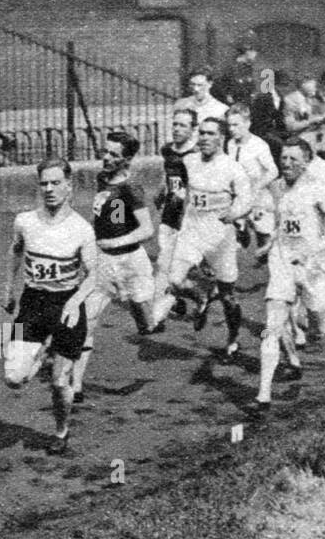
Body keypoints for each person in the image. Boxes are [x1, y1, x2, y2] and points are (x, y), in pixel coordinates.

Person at [2, 158, 99, 455]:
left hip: (66, 305)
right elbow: (16, 249)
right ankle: (41, 351)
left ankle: (61, 431)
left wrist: (74, 302)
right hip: (33, 302)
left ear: (69, 186)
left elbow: (94, 275)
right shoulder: (25, 221)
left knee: (59, 382)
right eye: (44, 183)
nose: (49, 189)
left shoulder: (82, 230)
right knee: (14, 378)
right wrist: (8, 287)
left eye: (56, 183)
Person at [255, 139, 325, 411]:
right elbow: (282, 225)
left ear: (307, 161)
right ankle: (264, 392)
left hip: (314, 266)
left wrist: (313, 249)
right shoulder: (278, 189)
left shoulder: (319, 189)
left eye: (293, 159)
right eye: (283, 159)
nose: (286, 164)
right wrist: (270, 243)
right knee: (273, 324)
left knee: (318, 325)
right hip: (283, 261)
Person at [152, 117, 251, 359]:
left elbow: (245, 199)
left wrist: (234, 214)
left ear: (222, 138)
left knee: (228, 296)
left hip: (220, 237)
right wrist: (168, 195)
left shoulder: (232, 167)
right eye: (202, 133)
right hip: (192, 232)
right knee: (173, 280)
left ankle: (233, 339)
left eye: (210, 134)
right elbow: (178, 186)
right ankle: (202, 294)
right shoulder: (189, 161)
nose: (205, 138)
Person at [71, 131, 158, 400]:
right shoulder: (102, 179)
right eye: (105, 152)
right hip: (105, 263)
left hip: (131, 262)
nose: (105, 158)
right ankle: (75, 386)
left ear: (127, 158)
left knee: (147, 326)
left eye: (113, 154)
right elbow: (109, 214)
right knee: (86, 320)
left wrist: (117, 240)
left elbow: (147, 229)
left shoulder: (132, 188)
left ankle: (169, 299)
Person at [151, 107, 198, 321]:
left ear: (193, 129)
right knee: (166, 261)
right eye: (175, 124)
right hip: (169, 213)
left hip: (188, 217)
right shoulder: (167, 150)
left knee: (167, 264)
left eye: (183, 125)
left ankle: (163, 308)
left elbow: (201, 185)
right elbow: (167, 174)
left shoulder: (196, 155)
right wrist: (161, 192)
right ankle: (178, 300)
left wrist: (185, 193)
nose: (177, 129)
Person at [225, 103, 279, 255]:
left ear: (247, 124)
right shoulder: (230, 144)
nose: (231, 129)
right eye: (229, 125)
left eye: (236, 125)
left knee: (264, 240)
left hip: (258, 197)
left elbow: (273, 171)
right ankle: (241, 234)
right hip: (239, 196)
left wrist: (257, 186)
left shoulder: (258, 145)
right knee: (229, 227)